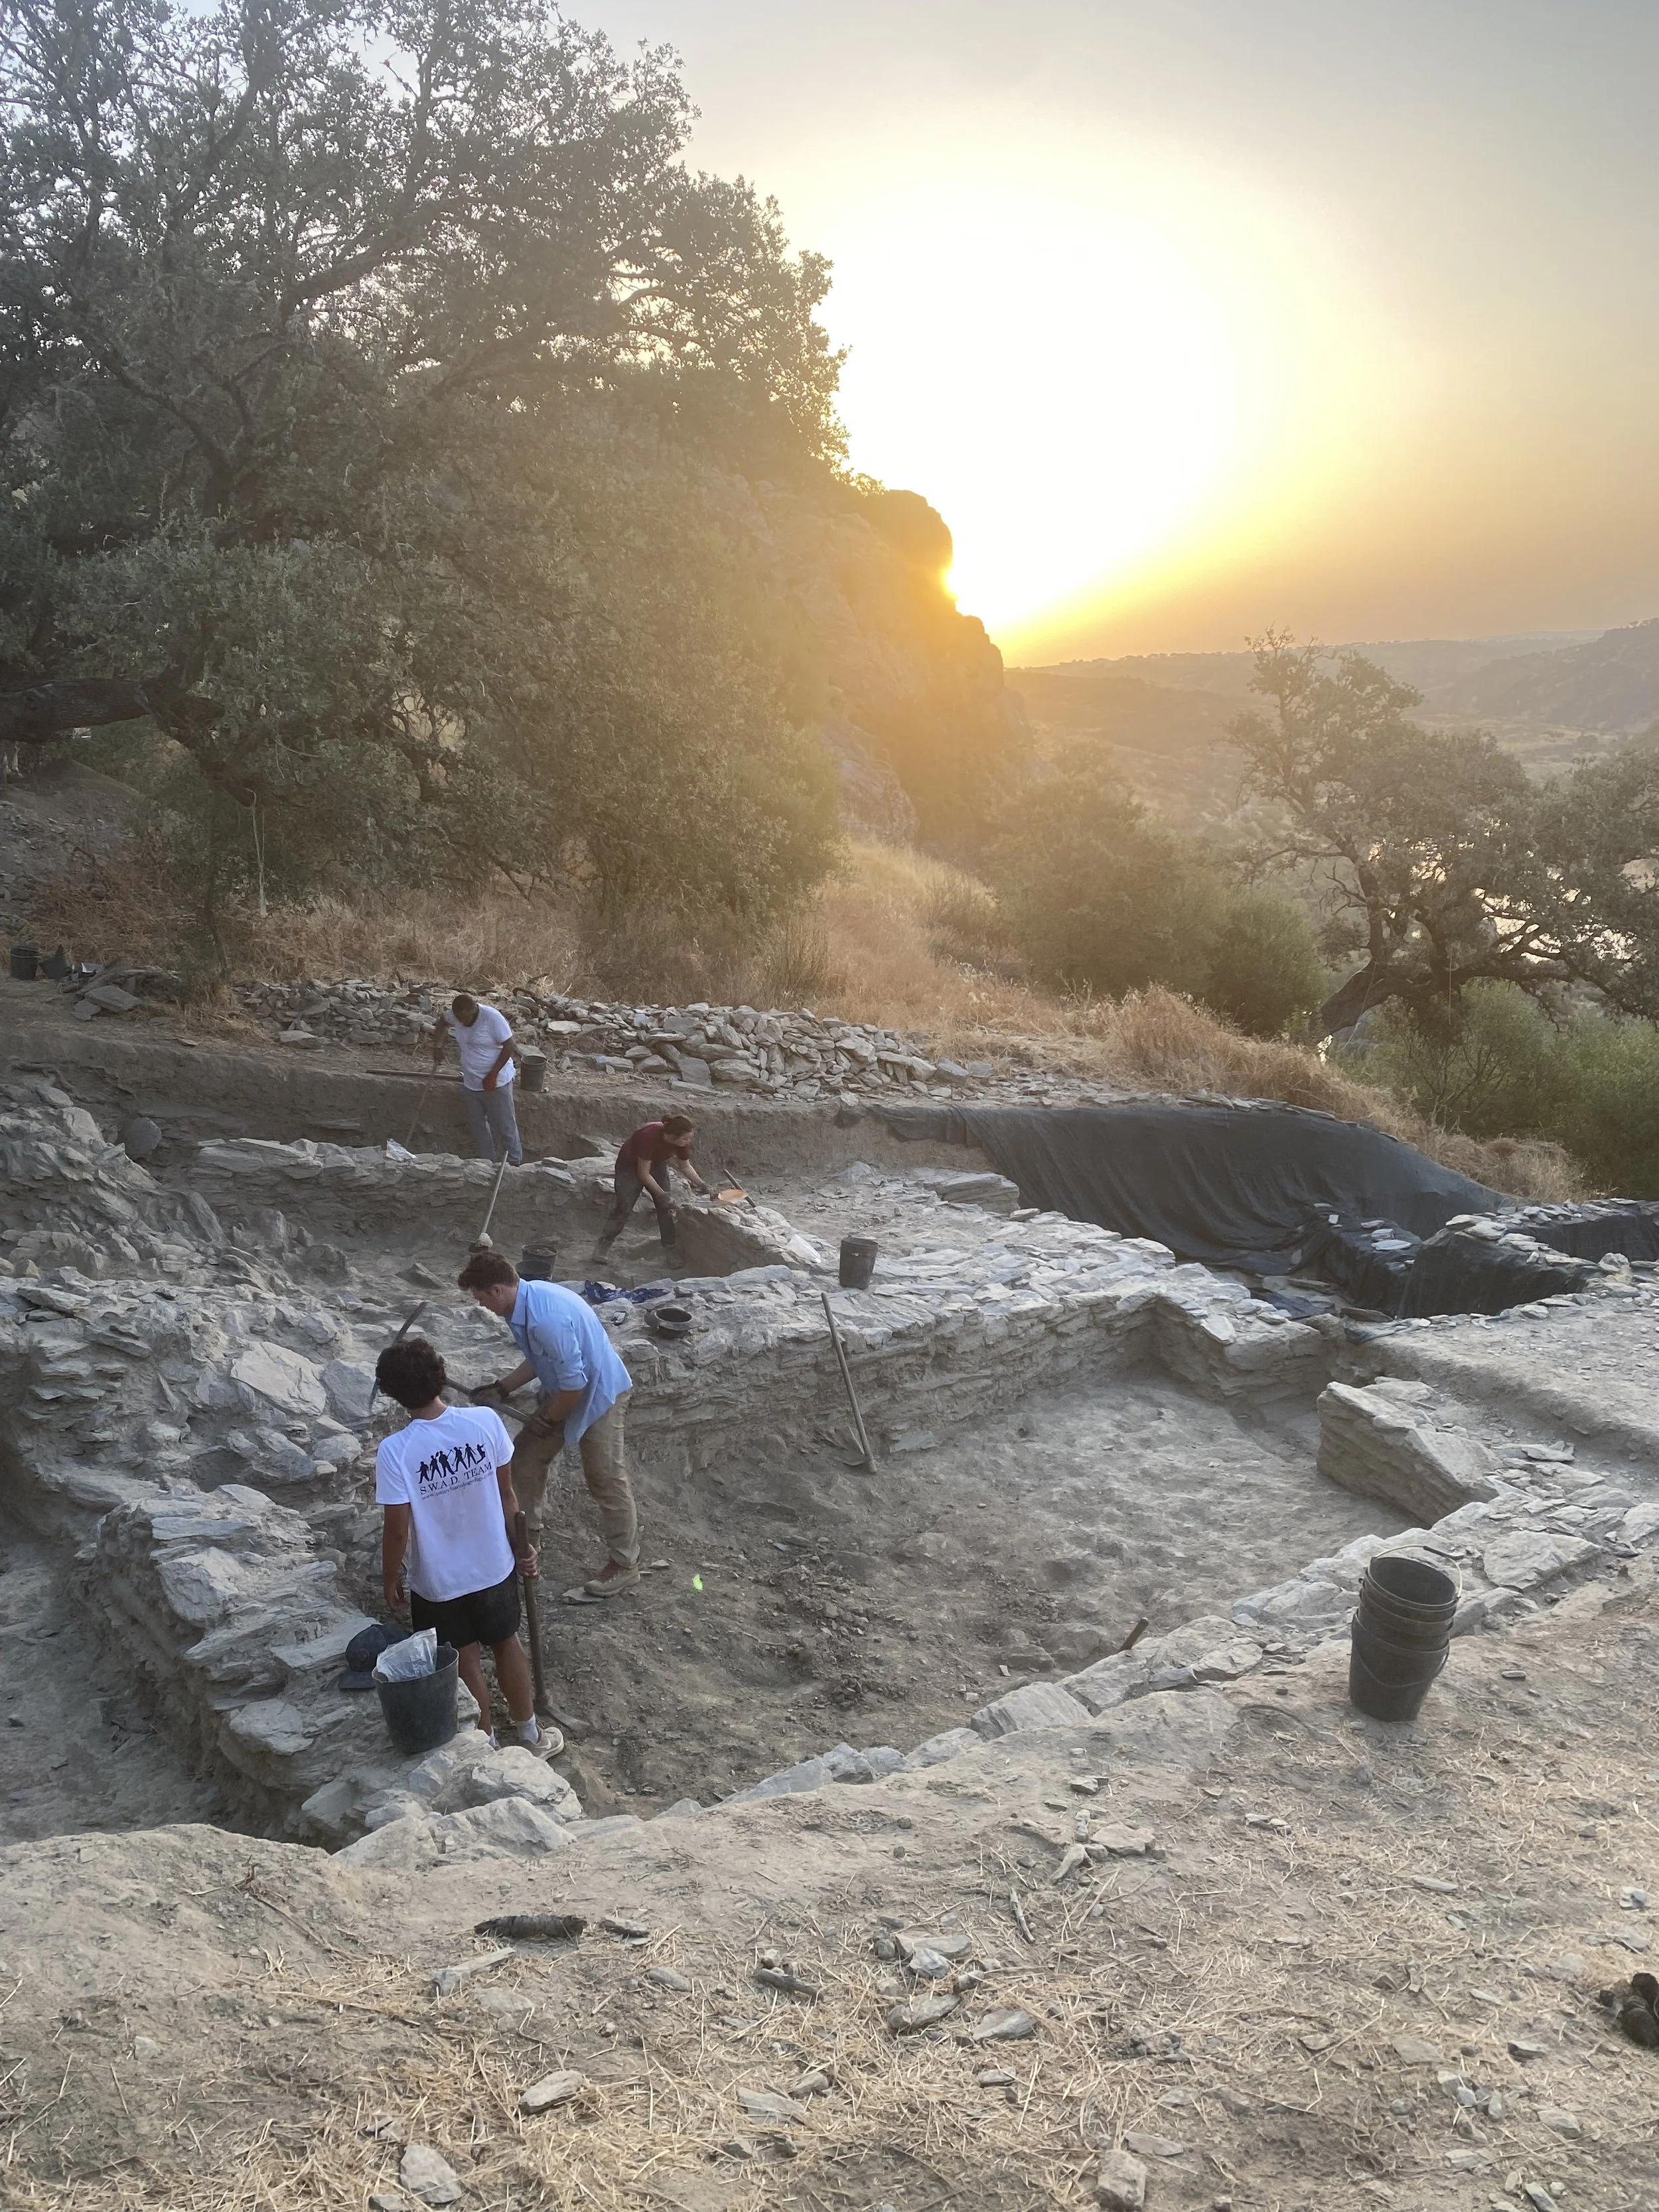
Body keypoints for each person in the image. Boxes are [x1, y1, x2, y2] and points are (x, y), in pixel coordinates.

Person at [372, 1331, 560, 1755]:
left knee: (465, 1658)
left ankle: (486, 1743)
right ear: (440, 1377)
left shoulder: (396, 1451)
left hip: (439, 1581)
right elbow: (508, 1497)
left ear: (393, 1393)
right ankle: (531, 1735)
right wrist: (521, 1547)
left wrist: (390, 1578)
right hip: (493, 1566)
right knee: (507, 1642)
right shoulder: (484, 1422)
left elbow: (397, 1529)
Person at [457, 1249, 639, 1600]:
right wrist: (503, 1387)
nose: (481, 1306)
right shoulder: (522, 1305)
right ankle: (525, 1546)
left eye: (481, 1298)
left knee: (605, 1477)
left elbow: (577, 1384)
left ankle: (625, 1565)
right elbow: (540, 1358)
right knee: (524, 1460)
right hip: (564, 1392)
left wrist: (548, 1419)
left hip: (600, 1395)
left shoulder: (545, 1317)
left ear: (497, 1290)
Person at [592, 1114, 712, 1268]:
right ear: (672, 1136)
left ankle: (670, 1248)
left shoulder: (681, 1142)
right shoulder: (648, 1137)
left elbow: (685, 1166)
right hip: (629, 1167)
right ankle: (604, 1244)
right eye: (686, 1139)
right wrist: (662, 1195)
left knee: (665, 1208)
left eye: (689, 1139)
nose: (688, 1142)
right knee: (624, 1208)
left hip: (657, 1164)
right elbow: (643, 1174)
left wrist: (703, 1185)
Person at [431, 992, 522, 1167]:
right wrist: (438, 1045)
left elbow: (510, 1046)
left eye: (466, 1018)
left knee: (505, 1126)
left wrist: (493, 1074)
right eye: (459, 1019)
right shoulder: (456, 1016)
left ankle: (515, 1164)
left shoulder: (492, 1018)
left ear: (473, 1010)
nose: (463, 1023)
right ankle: (487, 1164)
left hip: (496, 1083)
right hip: (471, 1083)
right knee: (479, 1127)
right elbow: (443, 1022)